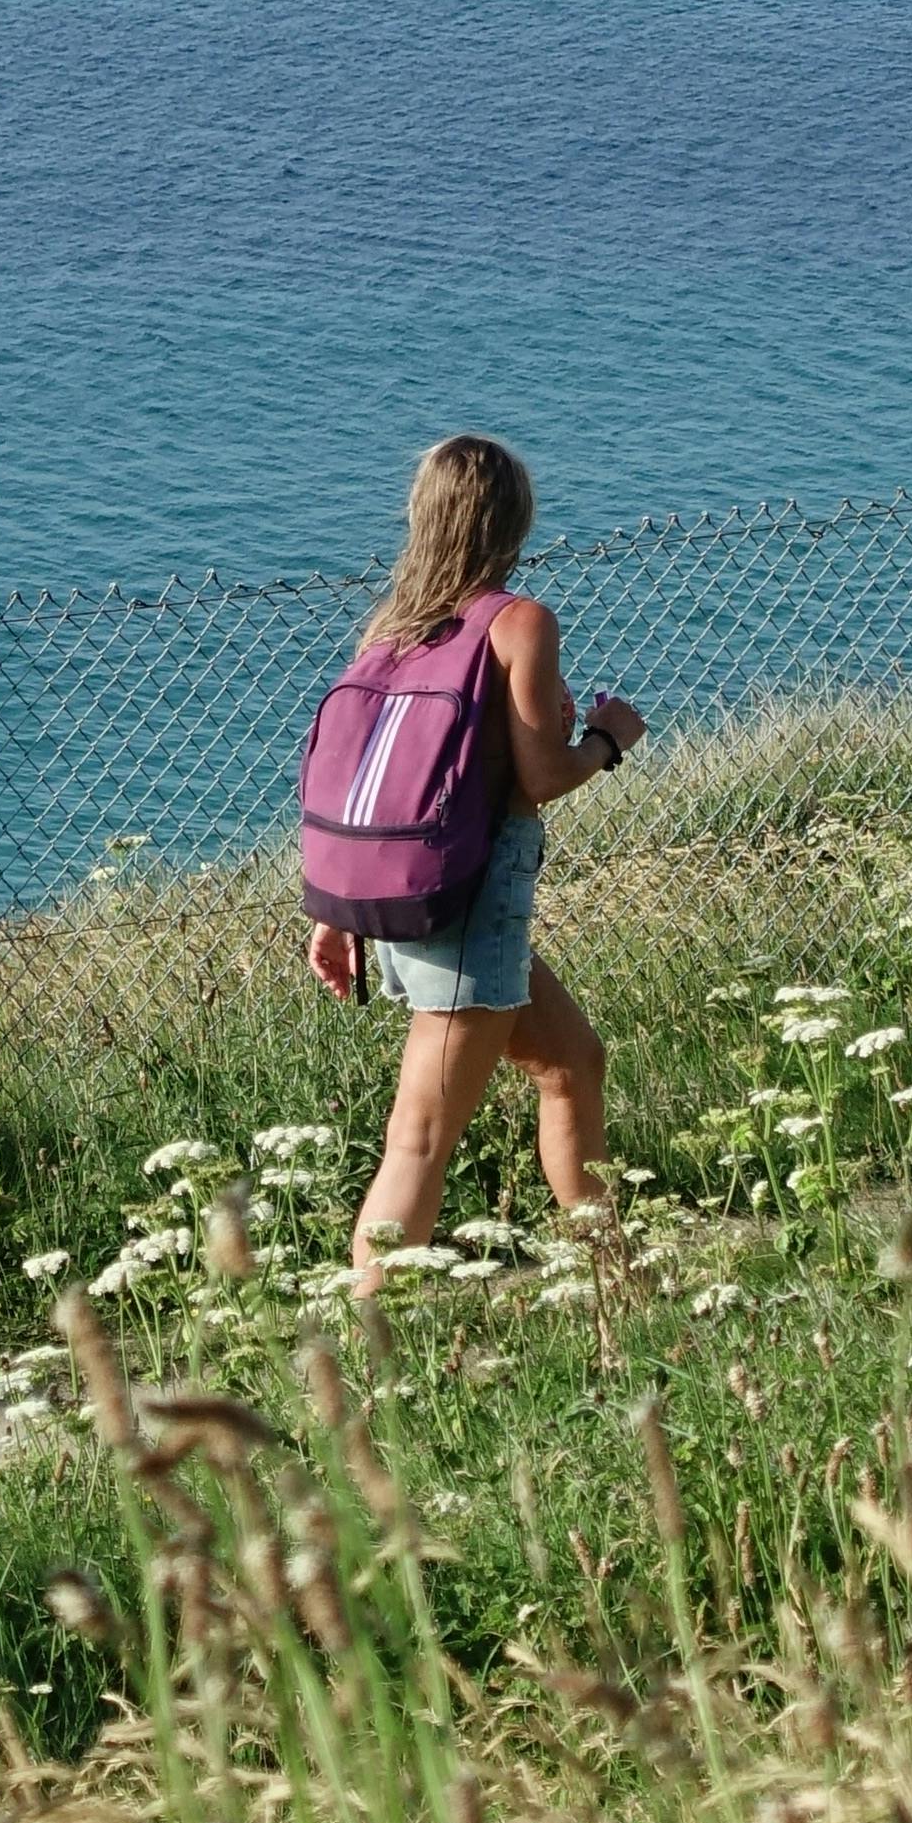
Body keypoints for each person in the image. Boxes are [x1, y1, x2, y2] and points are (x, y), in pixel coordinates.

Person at [303, 432, 643, 1280]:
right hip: (472, 898)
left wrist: (334, 914)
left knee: (572, 1064)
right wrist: (610, 737)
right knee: (419, 1137)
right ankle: (369, 1345)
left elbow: (361, 781)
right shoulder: (518, 623)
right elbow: (542, 775)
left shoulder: (392, 630)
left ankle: (615, 1279)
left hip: (410, 897)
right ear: (514, 519)